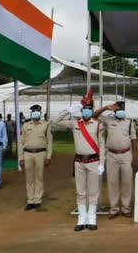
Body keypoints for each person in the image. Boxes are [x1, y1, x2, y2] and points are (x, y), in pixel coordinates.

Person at [54, 89, 105, 231]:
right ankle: (81, 218)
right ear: (81, 110)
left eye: (89, 109)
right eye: (84, 109)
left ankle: (92, 217)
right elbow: (56, 121)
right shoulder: (75, 123)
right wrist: (68, 110)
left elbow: (102, 145)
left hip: (94, 161)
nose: (86, 111)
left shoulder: (98, 124)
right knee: (80, 191)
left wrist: (102, 163)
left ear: (92, 109)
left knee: (93, 190)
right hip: (79, 162)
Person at [93, 101, 138, 219]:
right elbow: (93, 116)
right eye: (118, 109)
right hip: (111, 155)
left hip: (126, 154)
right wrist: (105, 108)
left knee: (127, 182)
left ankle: (126, 208)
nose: (121, 111)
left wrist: (135, 157)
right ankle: (114, 209)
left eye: (122, 109)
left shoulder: (129, 122)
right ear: (114, 111)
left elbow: (133, 139)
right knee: (112, 182)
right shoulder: (109, 120)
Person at [18, 104, 53, 210]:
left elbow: (49, 142)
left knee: (39, 177)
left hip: (40, 153)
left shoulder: (46, 125)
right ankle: (30, 200)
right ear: (31, 113)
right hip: (27, 153)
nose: (35, 113)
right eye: (33, 111)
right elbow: (21, 142)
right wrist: (21, 157)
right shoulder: (25, 125)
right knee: (29, 178)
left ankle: (38, 200)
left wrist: (48, 156)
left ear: (40, 113)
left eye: (37, 111)